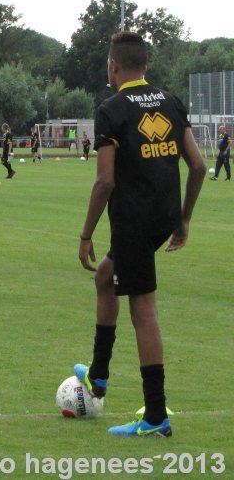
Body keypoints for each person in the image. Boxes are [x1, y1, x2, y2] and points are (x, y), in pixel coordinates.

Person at [76, 31, 205, 437]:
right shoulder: (169, 101)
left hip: (133, 221)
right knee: (104, 278)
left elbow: (105, 182)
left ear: (113, 66)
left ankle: (155, 417)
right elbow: (198, 166)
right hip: (163, 215)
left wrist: (85, 235)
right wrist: (183, 219)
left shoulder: (111, 110)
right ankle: (98, 375)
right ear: (144, 66)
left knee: (143, 310)